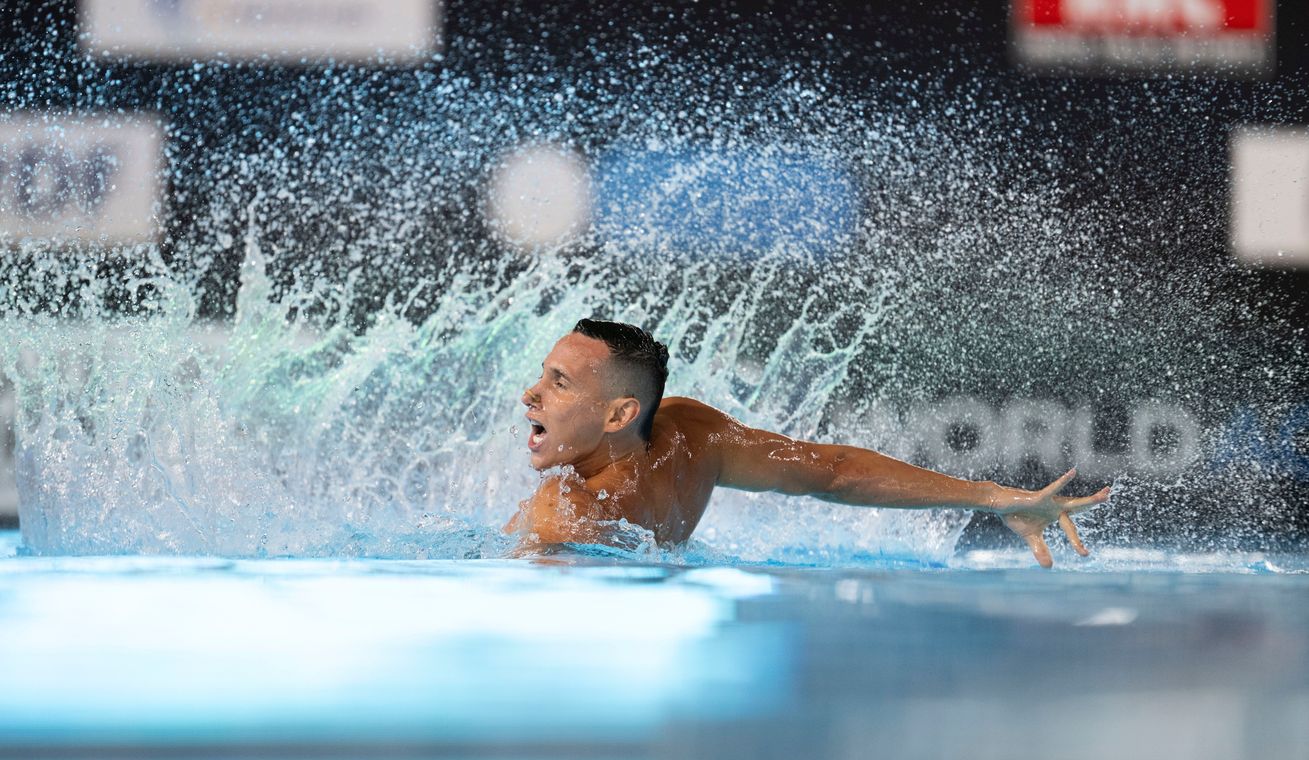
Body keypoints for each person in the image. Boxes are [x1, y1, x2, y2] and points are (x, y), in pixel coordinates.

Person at [504, 318, 1111, 567]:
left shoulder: (692, 435)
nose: (530, 395)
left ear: (620, 415)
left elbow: (831, 469)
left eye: (557, 383)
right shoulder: (562, 517)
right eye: (542, 376)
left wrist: (996, 497)